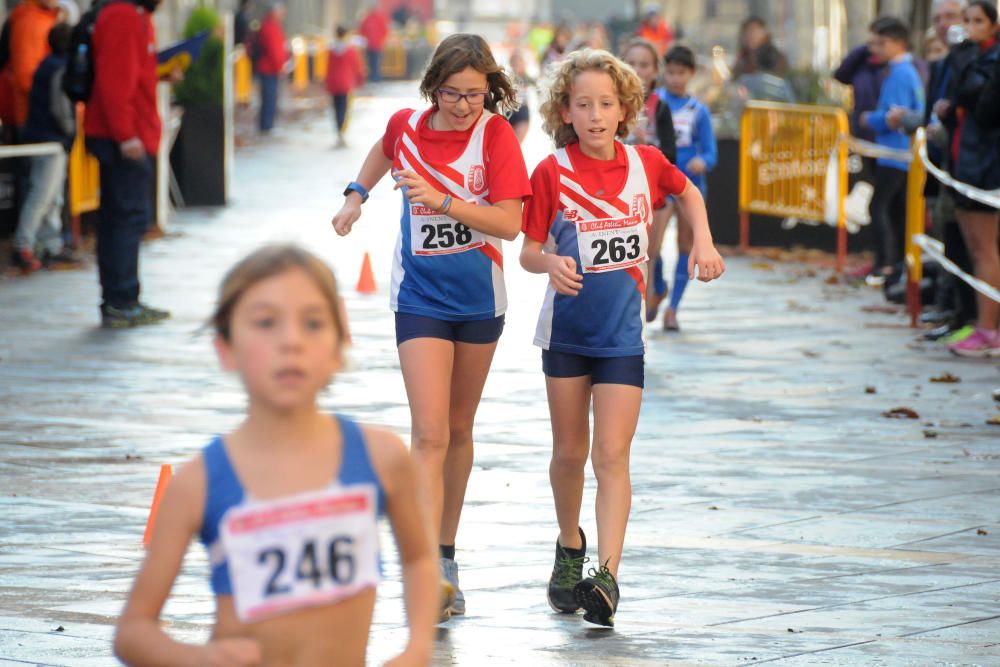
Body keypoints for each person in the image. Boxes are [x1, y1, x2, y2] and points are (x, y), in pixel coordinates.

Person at [113, 245, 438, 665]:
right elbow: (133, 632)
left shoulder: (381, 457)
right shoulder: (200, 482)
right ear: (225, 348)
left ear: (340, 343)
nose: (291, 342)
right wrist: (198, 660)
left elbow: (418, 559)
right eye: (265, 323)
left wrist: (417, 648)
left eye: (313, 323)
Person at [330, 33, 531, 621]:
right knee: (430, 432)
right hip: (419, 297)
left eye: (475, 94)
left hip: (479, 301)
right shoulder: (408, 127)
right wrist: (355, 197)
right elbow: (381, 148)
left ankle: (447, 551)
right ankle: (423, 565)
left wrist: (443, 201)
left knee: (460, 428)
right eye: (452, 93)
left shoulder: (494, 135)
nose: (464, 106)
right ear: (432, 87)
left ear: (490, 90)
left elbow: (510, 224)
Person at [521, 48, 724, 628]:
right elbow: (529, 249)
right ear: (565, 110)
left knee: (612, 455)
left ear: (625, 108)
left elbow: (687, 192)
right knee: (569, 454)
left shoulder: (646, 162)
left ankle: (606, 576)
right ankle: (569, 546)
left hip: (621, 340)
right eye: (582, 104)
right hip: (565, 336)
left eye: (605, 104)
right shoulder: (551, 172)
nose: (594, 115)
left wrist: (702, 242)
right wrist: (549, 264)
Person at [84, 0, 174, 328]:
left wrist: (162, 73)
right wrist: (125, 136)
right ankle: (121, 300)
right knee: (125, 218)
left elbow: (131, 75)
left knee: (121, 218)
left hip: (129, 132)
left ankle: (122, 299)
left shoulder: (135, 16)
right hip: (124, 137)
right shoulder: (123, 16)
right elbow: (115, 81)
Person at [934, 1, 1000, 357]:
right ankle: (979, 323)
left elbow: (984, 106)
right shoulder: (966, 55)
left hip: (985, 164)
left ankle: (989, 327)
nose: (969, 28)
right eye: (967, 20)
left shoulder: (990, 60)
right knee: (972, 247)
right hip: (962, 158)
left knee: (986, 248)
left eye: (978, 21)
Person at [651, 45, 717, 331]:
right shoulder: (654, 103)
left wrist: (702, 161)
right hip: (661, 183)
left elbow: (712, 152)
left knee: (686, 246)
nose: (675, 78)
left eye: (681, 73)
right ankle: (658, 284)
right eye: (671, 72)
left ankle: (673, 308)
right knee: (652, 243)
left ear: (691, 74)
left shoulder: (698, 111)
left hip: (689, 184)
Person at [859, 16, 925, 285]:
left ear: (898, 43)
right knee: (895, 210)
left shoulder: (900, 73)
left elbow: (893, 117)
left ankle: (885, 264)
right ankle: (895, 263)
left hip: (895, 155)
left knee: (881, 208)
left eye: (880, 43)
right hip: (897, 154)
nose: (874, 49)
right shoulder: (903, 71)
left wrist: (868, 119)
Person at [12, 22, 77, 273]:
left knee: (52, 196)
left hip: (42, 135)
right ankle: (24, 244)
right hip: (51, 138)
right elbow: (60, 107)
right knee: (42, 195)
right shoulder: (61, 69)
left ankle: (51, 244)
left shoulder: (46, 65)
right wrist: (69, 133)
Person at [620, 37, 677, 320]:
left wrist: (647, 145)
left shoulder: (660, 108)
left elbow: (671, 157)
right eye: (631, 63)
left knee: (648, 254)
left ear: (655, 71)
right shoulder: (609, 102)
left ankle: (643, 310)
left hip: (654, 194)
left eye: (644, 65)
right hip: (616, 193)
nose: (637, 70)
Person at [5, 0, 59, 134]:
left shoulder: (38, 18)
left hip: (39, 113)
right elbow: (26, 77)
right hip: (37, 115)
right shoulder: (31, 22)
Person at [325, 24, 365, 148]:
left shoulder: (331, 50)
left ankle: (338, 129)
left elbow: (328, 67)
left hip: (334, 83)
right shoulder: (351, 50)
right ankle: (342, 131)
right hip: (346, 83)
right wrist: (360, 79)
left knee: (336, 108)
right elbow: (357, 66)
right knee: (344, 108)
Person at [255, 2, 287, 134]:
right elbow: (274, 50)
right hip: (269, 68)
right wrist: (280, 66)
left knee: (269, 97)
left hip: (269, 67)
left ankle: (266, 124)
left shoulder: (269, 25)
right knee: (269, 97)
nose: (283, 14)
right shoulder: (270, 26)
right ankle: (266, 126)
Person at [505, 49, 532, 143]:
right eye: (514, 62)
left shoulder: (528, 78)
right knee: (508, 143)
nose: (517, 65)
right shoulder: (506, 77)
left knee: (516, 144)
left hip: (522, 111)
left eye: (519, 62)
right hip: (509, 111)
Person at [359, 4, 389, 84]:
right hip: (372, 44)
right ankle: (374, 77)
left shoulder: (372, 18)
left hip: (375, 44)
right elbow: (362, 29)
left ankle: (375, 78)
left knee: (375, 61)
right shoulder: (369, 18)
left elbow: (384, 30)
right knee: (373, 61)